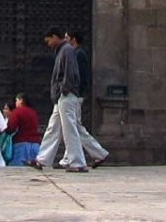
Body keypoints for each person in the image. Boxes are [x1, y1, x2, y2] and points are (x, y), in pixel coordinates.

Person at [28, 26, 88, 172]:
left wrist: (64, 89)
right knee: (53, 128)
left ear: (55, 37)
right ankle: (42, 159)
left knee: (69, 129)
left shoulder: (67, 50)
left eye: (49, 40)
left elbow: (71, 72)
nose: (48, 44)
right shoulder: (63, 50)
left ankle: (77, 162)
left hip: (66, 95)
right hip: (61, 96)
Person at [64, 30, 109, 168]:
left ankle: (72, 158)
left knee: (74, 126)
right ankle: (96, 154)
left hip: (75, 96)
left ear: (73, 40)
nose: (65, 40)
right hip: (76, 95)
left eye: (67, 37)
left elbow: (81, 76)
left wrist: (78, 93)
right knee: (74, 126)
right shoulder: (76, 53)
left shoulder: (79, 54)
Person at [3, 93, 41, 166]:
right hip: (35, 144)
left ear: (21, 100)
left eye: (16, 100)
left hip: (21, 145)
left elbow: (11, 128)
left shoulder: (17, 112)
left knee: (18, 170)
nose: (15, 103)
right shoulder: (33, 112)